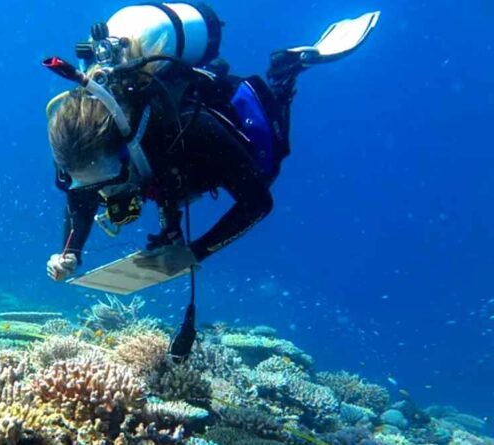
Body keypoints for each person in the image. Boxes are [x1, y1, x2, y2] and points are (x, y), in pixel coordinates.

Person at [43, 3, 379, 357]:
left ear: (127, 147)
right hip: (161, 170)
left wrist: (195, 251)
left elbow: (258, 203)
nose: (102, 193)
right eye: (85, 183)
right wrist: (70, 253)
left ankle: (286, 71)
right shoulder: (78, 150)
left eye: (108, 179)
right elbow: (78, 199)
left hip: (204, 149)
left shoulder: (194, 129)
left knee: (270, 161)